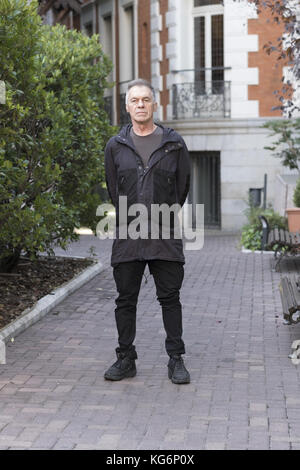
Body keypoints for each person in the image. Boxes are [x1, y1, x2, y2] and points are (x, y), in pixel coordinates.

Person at [104, 78, 191, 384]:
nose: (140, 105)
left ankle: (176, 359)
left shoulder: (174, 144)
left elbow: (181, 190)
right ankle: (126, 359)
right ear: (127, 107)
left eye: (145, 100)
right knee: (125, 300)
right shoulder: (115, 146)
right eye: (134, 100)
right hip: (128, 237)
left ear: (155, 105)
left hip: (164, 235)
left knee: (170, 298)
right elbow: (114, 190)